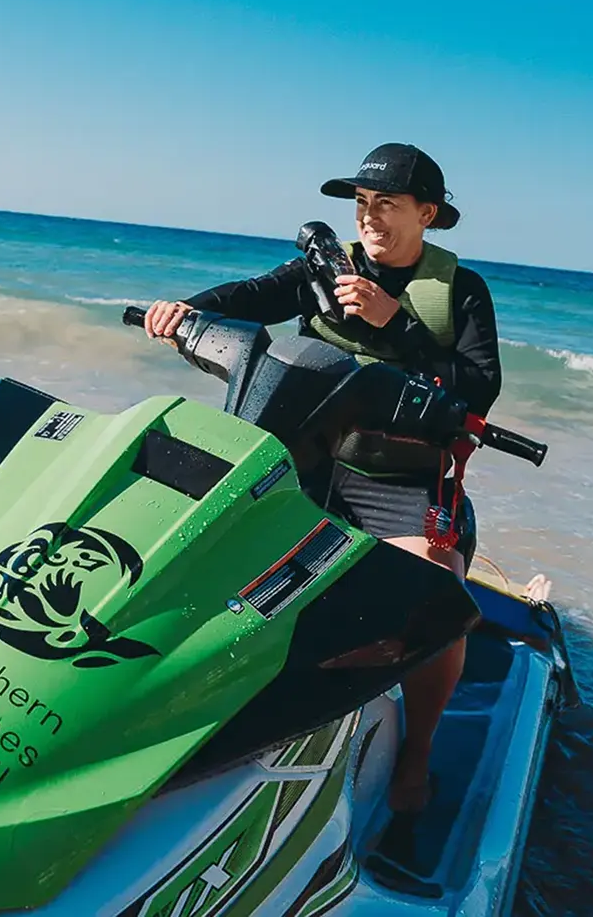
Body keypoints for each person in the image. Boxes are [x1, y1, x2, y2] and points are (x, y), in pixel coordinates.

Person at [144, 142, 502, 812]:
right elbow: (249, 298)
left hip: (400, 481)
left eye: (387, 205)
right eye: (363, 204)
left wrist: (395, 325)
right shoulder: (324, 271)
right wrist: (182, 311)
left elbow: (480, 390)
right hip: (308, 461)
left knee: (434, 586)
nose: (370, 217)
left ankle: (418, 752)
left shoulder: (461, 292)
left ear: (427, 214)